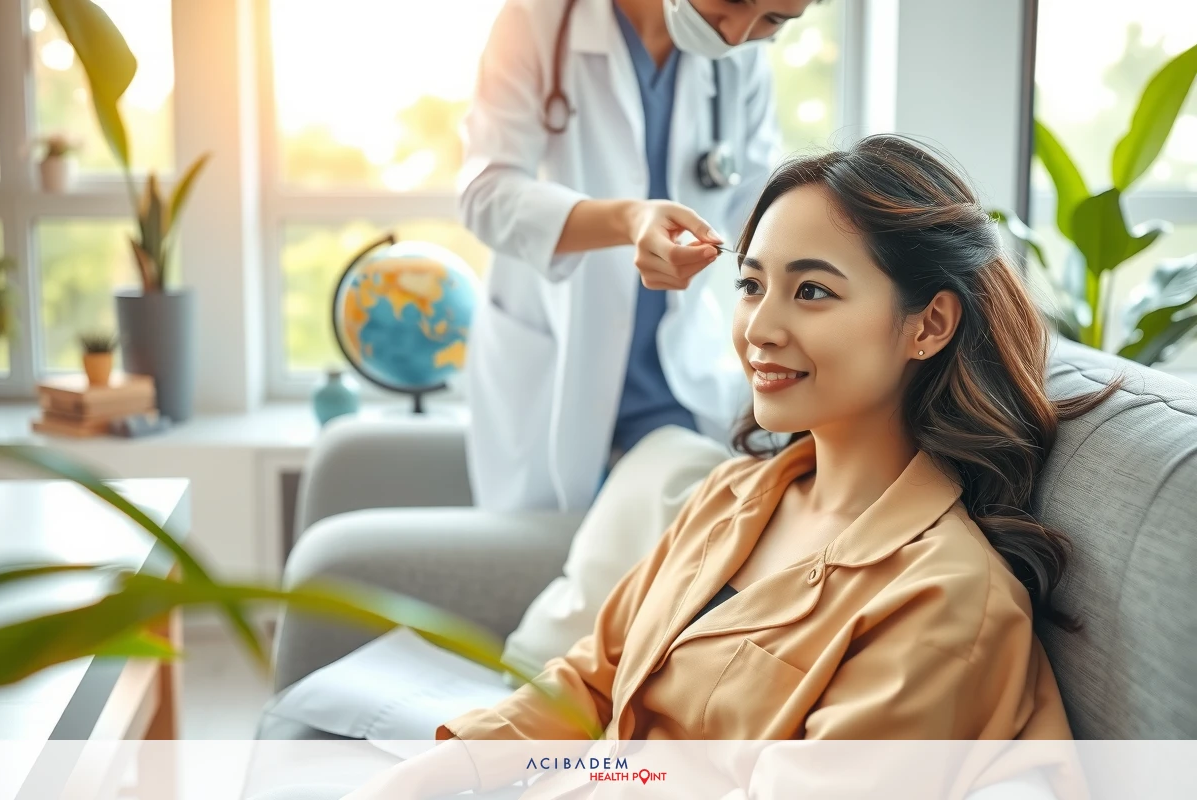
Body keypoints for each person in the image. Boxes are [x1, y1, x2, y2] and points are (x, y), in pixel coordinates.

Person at [333, 135, 1119, 798]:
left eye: (812, 291)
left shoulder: (948, 602)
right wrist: (433, 775)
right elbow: (595, 678)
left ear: (929, 325)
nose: (759, 328)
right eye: (751, 284)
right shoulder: (736, 492)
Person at [462, 0, 817, 512]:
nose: (738, 34)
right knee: (560, 547)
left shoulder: (741, 61)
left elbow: (760, 210)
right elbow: (485, 195)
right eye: (734, 1)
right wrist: (628, 220)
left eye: (775, 21)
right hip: (554, 367)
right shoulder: (538, 19)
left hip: (672, 378)